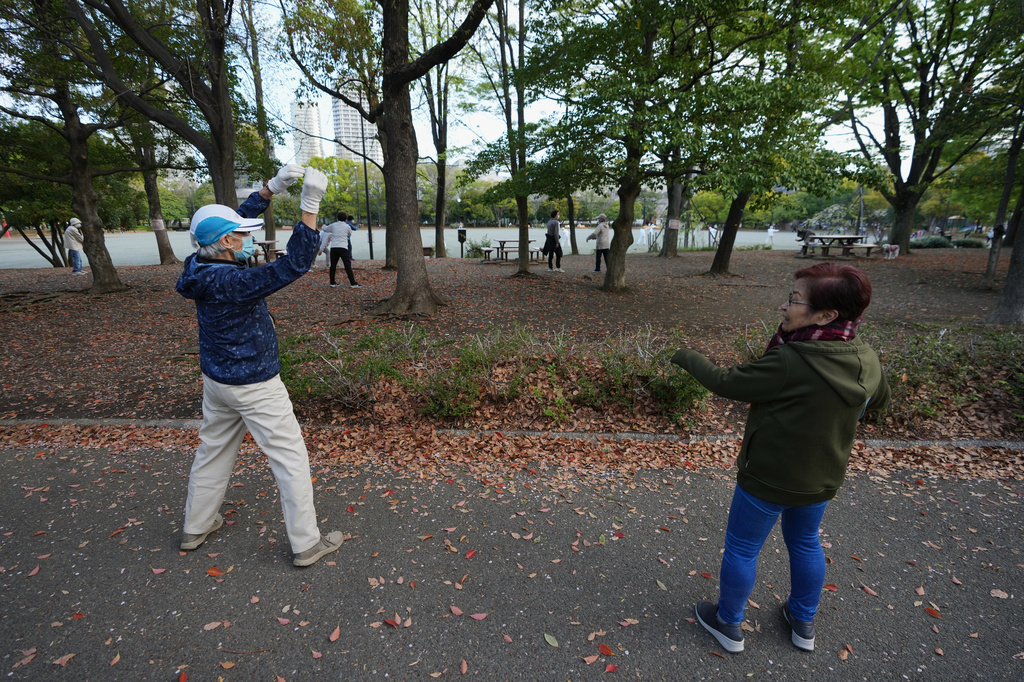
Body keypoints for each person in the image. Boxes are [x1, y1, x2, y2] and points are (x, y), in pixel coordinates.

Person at [671, 263, 890, 654]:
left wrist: (685, 355)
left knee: (742, 548)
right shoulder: (865, 357)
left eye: (794, 300)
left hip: (768, 476)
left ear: (826, 315)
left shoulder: (792, 360)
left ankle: (729, 623)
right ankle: (803, 621)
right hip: (823, 477)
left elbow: (728, 382)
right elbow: (880, 400)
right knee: (806, 541)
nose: (784, 307)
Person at [175, 163, 346, 568]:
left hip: (217, 380)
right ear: (229, 243)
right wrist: (309, 204)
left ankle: (195, 528)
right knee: (290, 457)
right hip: (254, 383)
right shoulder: (233, 282)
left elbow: (221, 224)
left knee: (212, 451)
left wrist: (270, 189)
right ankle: (306, 543)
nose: (250, 239)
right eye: (244, 235)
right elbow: (293, 266)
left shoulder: (196, 266)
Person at [321, 211, 360, 288]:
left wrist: (323, 225)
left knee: (333, 266)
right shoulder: (347, 226)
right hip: (343, 247)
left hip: (334, 247)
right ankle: (353, 283)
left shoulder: (333, 225)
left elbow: (325, 229)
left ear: (337, 218)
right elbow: (349, 233)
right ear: (346, 219)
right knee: (347, 265)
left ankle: (332, 282)